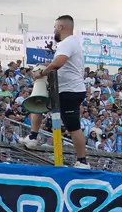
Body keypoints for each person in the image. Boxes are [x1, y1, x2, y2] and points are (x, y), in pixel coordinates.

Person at [22, 14, 91, 169]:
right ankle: (32, 136)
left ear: (61, 27)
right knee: (38, 102)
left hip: (70, 91)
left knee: (73, 127)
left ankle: (83, 161)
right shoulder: (69, 43)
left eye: (55, 27)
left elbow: (58, 63)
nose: (54, 31)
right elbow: (58, 63)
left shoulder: (68, 42)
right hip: (63, 89)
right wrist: (47, 68)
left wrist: (41, 73)